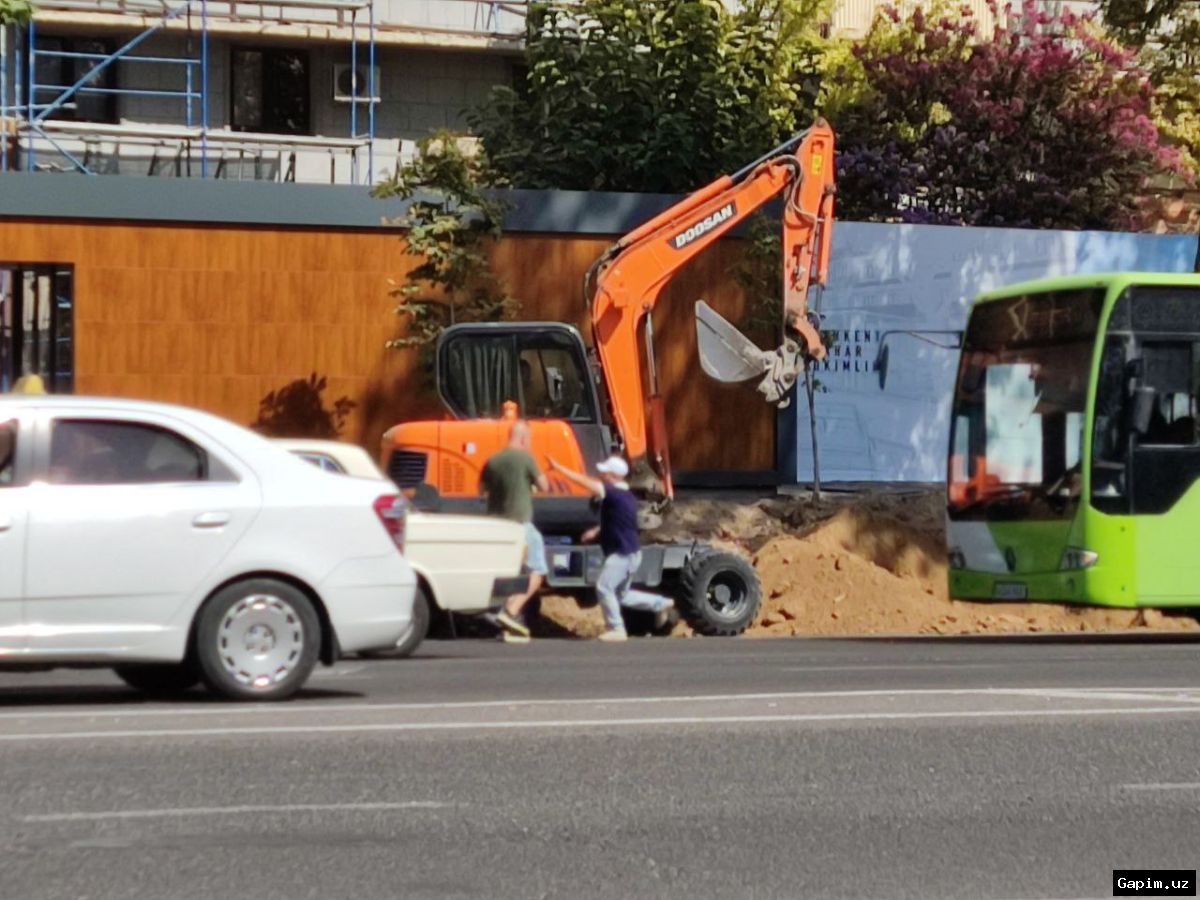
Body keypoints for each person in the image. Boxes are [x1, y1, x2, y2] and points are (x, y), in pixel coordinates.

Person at [549, 454, 673, 642]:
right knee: (620, 595)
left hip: (622, 554)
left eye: (605, 472)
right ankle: (660, 603)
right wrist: (597, 531)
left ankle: (616, 629)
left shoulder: (613, 492)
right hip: (631, 553)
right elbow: (620, 521)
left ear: (613, 475)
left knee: (604, 587)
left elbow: (586, 483)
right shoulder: (627, 497)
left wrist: (559, 468)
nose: (601, 475)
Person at [482, 419, 550, 640]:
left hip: (497, 525)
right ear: (523, 438)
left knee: (512, 573)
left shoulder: (493, 461)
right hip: (521, 524)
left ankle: (508, 624)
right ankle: (511, 611)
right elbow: (544, 486)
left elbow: (481, 490)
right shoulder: (525, 458)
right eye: (529, 439)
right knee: (537, 571)